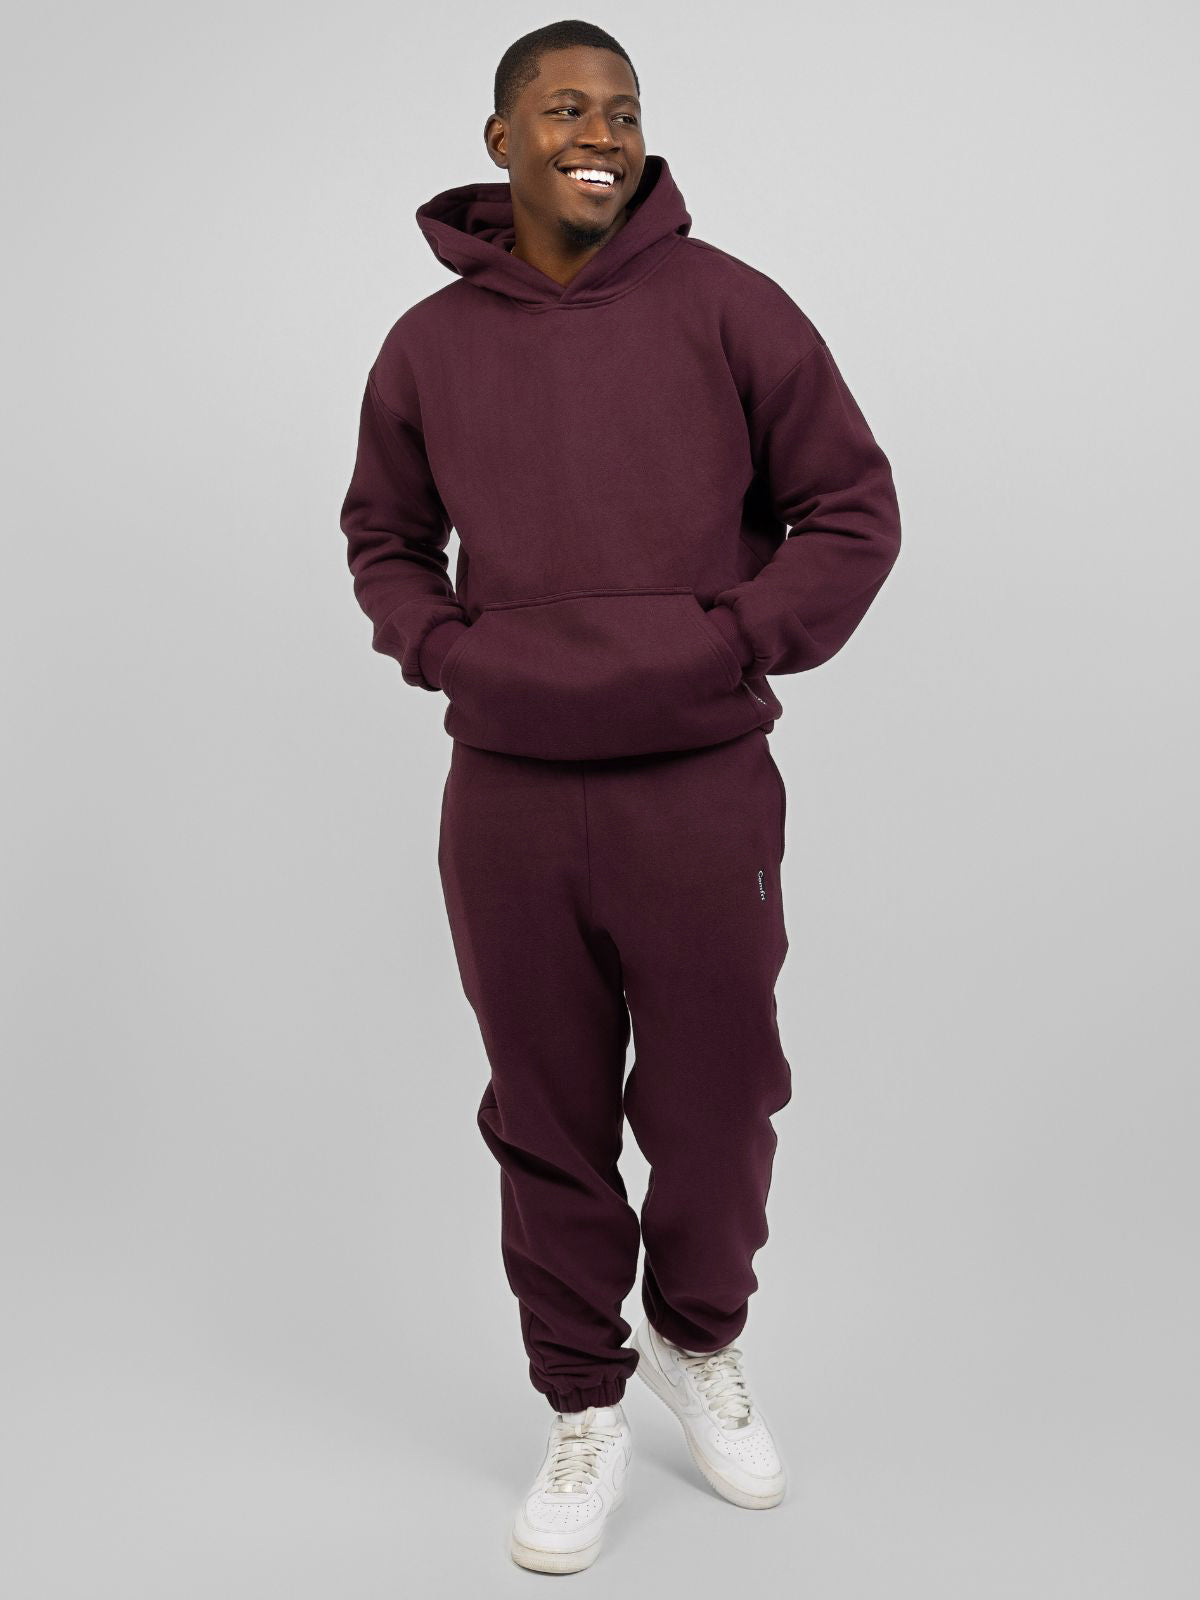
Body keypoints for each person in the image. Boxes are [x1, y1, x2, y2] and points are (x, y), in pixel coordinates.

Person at [339, 20, 901, 1575]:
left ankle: (696, 1337)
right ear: (502, 139)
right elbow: (385, 536)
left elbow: (851, 510)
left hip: (699, 784)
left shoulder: (731, 307)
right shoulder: (426, 345)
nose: (602, 133)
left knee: (721, 1103)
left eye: (625, 111)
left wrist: (726, 641)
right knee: (546, 1112)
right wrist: (448, 650)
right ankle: (582, 1401)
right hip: (509, 795)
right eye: (567, 108)